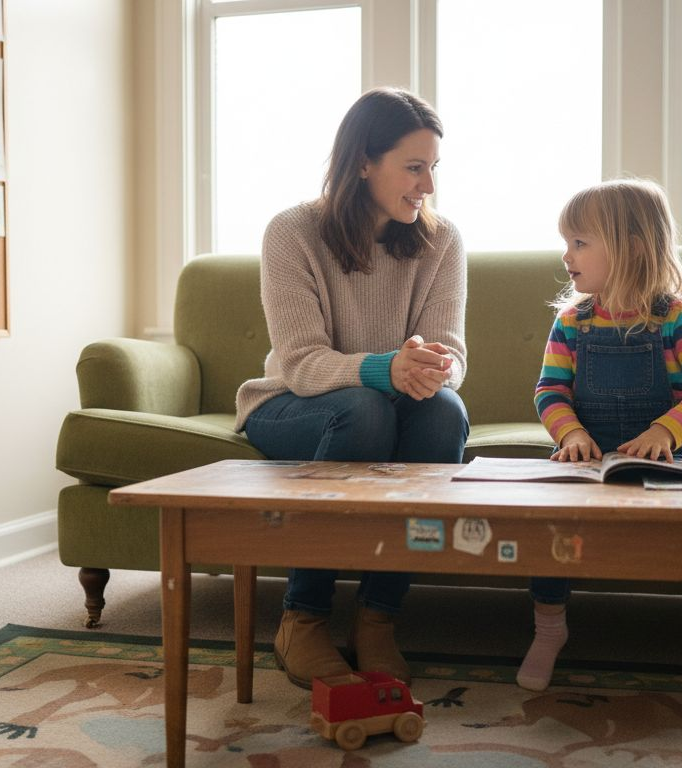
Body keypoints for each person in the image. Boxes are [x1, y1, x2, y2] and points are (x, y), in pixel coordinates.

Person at [234, 87, 469, 689]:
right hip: (290, 402)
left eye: (433, 168)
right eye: (414, 167)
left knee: (445, 414)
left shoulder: (442, 241)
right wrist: (383, 368)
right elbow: (303, 364)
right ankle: (304, 619)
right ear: (364, 161)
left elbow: (453, 353)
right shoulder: (291, 232)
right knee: (364, 412)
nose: (428, 185)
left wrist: (430, 366)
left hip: (388, 396)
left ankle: (377, 618)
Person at [517, 178, 682, 707]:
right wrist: (571, 433)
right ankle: (549, 628)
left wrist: (664, 432)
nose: (566, 257)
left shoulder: (676, 317)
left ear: (630, 245)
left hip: (663, 455)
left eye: (579, 243)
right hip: (584, 456)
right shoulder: (571, 322)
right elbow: (550, 391)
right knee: (545, 523)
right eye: (567, 243)